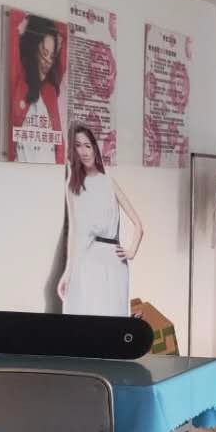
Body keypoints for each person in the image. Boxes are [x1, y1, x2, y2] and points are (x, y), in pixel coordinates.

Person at [59, 125, 143, 316]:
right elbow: (74, 232)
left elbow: (138, 224)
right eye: (78, 146)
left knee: (113, 314)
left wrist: (131, 252)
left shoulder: (108, 182)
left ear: (95, 149)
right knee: (88, 315)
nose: (84, 151)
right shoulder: (73, 186)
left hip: (113, 260)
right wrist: (68, 272)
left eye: (88, 145)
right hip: (87, 259)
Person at [9, 15, 66, 164]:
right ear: (34, 48)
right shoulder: (19, 79)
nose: (48, 62)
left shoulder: (51, 88)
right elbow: (12, 21)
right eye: (44, 53)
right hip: (18, 171)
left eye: (52, 56)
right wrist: (29, 18)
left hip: (51, 172)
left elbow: (66, 30)